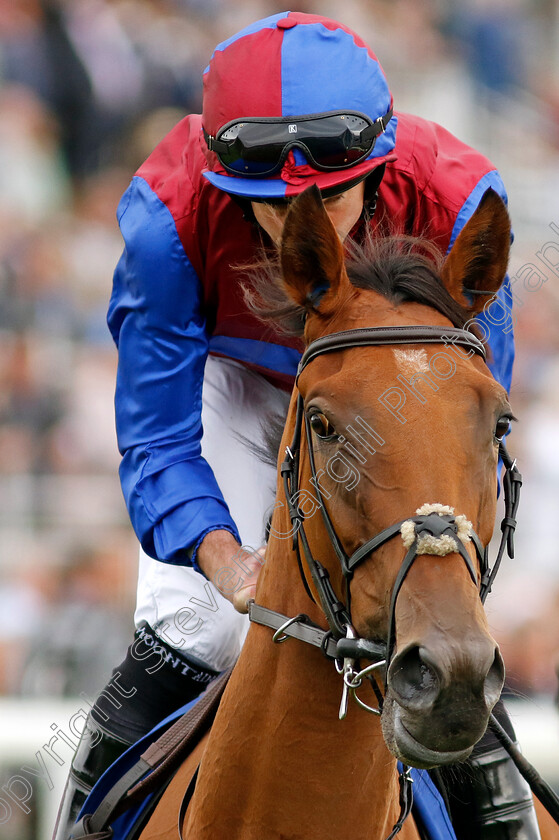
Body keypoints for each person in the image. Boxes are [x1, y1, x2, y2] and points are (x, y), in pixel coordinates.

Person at [54, 11, 539, 840]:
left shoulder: (458, 200)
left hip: (397, 406)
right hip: (236, 391)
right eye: (264, 207)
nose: (297, 227)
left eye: (331, 196)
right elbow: (158, 440)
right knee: (197, 629)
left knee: (434, 626)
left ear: (379, 166)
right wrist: (223, 558)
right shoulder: (166, 218)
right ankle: (79, 820)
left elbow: (471, 420)